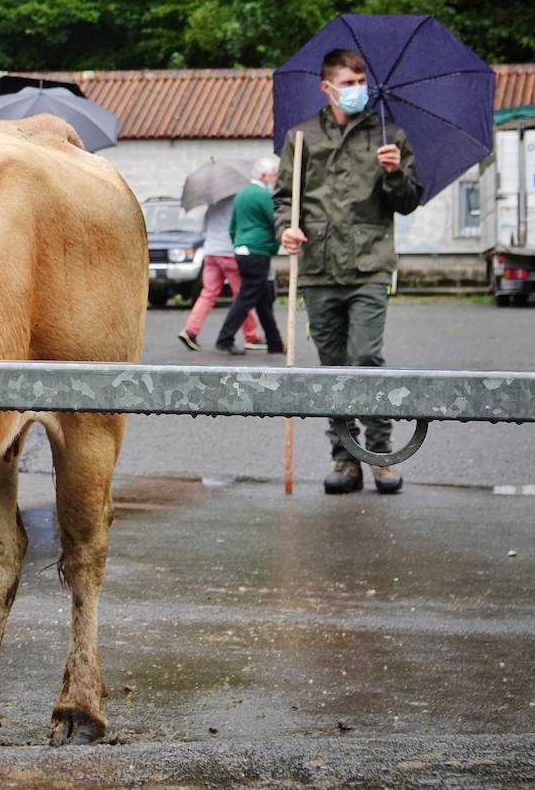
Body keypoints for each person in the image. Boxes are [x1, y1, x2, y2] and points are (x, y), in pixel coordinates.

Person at [273, 48, 422, 495]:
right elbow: (284, 198)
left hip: (369, 266)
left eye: (362, 82)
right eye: (349, 82)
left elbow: (409, 200)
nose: (357, 90)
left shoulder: (388, 136)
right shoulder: (300, 138)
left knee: (366, 361)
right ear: (328, 87)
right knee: (331, 369)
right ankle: (344, 459)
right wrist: (287, 229)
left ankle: (379, 456)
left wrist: (395, 174)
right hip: (317, 268)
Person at [177, 183, 274, 354]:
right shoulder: (239, 202)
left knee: (208, 293)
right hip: (229, 254)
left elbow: (204, 230)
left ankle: (190, 330)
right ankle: (251, 335)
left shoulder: (212, 206)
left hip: (210, 253)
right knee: (242, 296)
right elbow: (237, 228)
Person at [212, 155, 286, 356]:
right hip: (257, 252)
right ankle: (225, 338)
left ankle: (275, 342)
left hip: (243, 250)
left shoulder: (242, 194)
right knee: (247, 297)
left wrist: (239, 244)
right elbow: (276, 220)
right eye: (273, 175)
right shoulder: (261, 196)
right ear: (264, 176)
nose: (275, 179)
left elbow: (233, 226)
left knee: (263, 300)